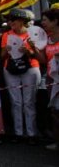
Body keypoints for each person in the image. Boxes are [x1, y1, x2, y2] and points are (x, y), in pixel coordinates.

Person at [0, 8, 45, 145]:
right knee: (16, 102)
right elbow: (1, 56)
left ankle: (31, 133)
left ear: (21, 21)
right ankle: (18, 133)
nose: (10, 22)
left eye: (12, 19)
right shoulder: (6, 35)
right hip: (11, 69)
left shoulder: (33, 34)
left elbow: (41, 57)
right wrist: (6, 51)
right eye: (9, 20)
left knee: (29, 102)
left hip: (30, 68)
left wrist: (29, 51)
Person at [40, 9, 59, 151]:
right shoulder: (45, 39)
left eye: (45, 20)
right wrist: (33, 50)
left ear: (55, 21)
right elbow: (43, 60)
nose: (43, 23)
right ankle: (57, 141)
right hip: (51, 81)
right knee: (54, 112)